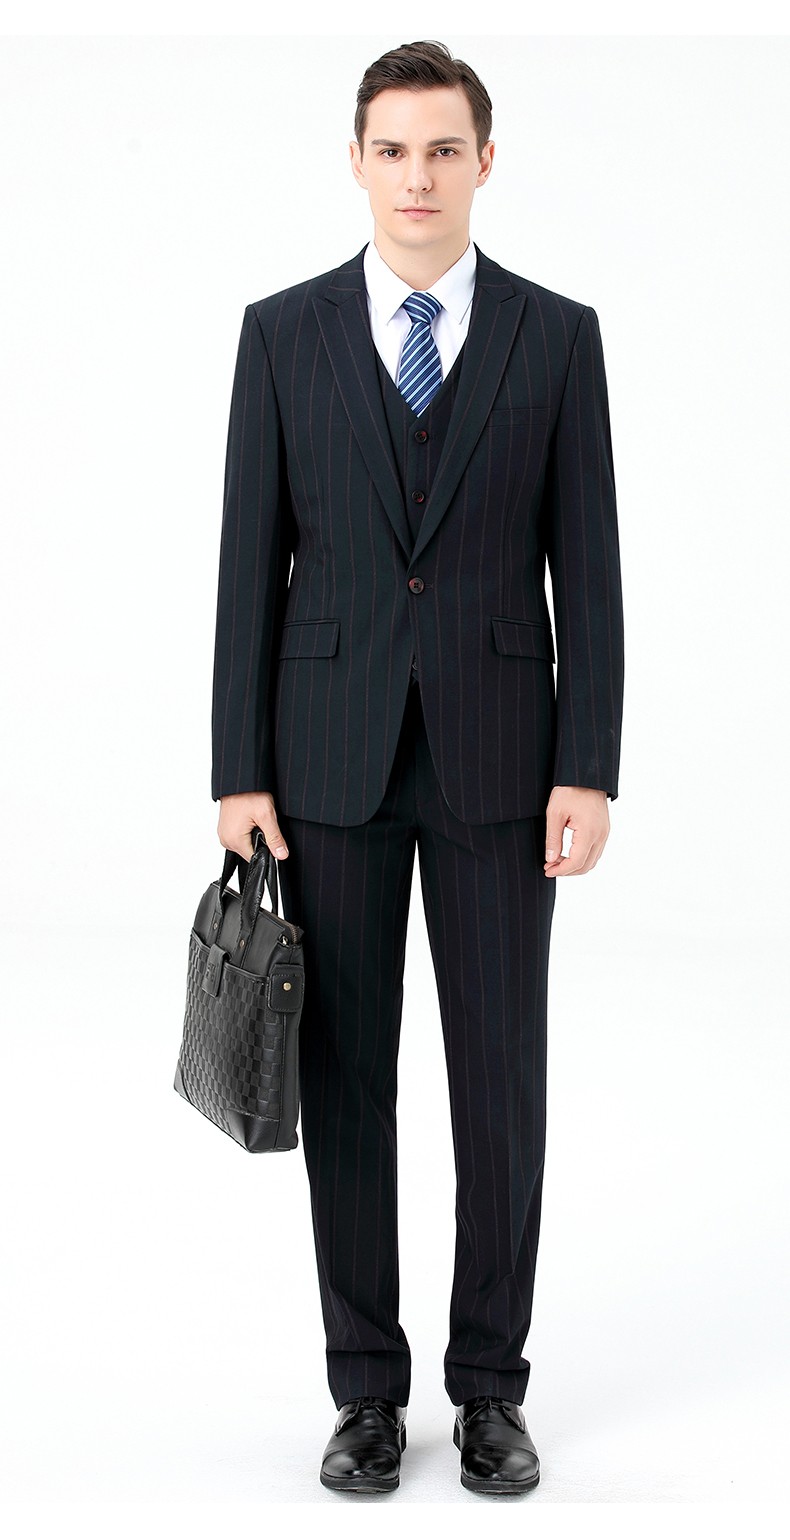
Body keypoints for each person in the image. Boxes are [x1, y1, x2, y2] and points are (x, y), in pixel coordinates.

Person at [211, 39, 624, 1497]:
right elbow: (248, 564)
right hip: (323, 763)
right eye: (392, 149)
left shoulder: (555, 338)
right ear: (356, 162)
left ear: (484, 163)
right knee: (345, 1084)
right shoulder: (283, 334)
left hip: (504, 764)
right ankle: (367, 1393)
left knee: (500, 1083)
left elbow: (590, 569)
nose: (418, 176)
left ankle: (492, 1389)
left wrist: (589, 764)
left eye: (444, 149)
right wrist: (236, 764)